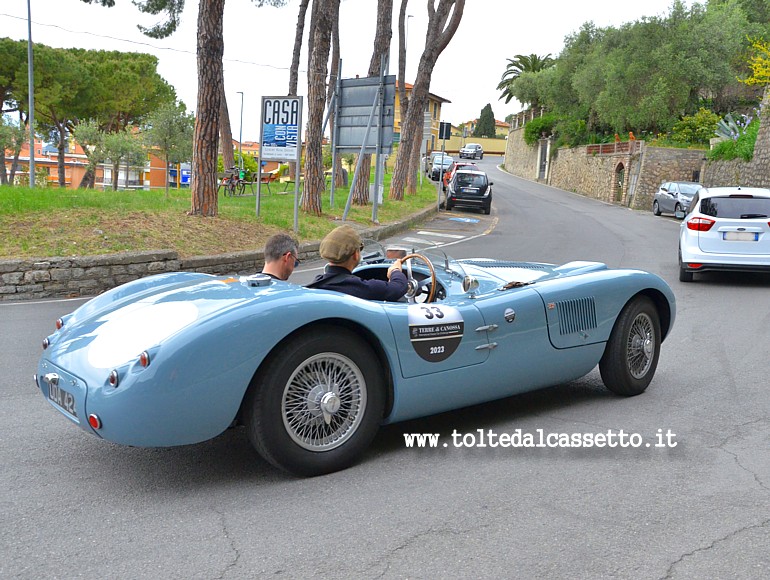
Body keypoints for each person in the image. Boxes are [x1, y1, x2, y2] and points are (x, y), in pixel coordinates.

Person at [309, 225, 407, 301]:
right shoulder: (357, 287)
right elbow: (398, 287)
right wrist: (395, 270)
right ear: (356, 254)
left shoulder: (316, 283)